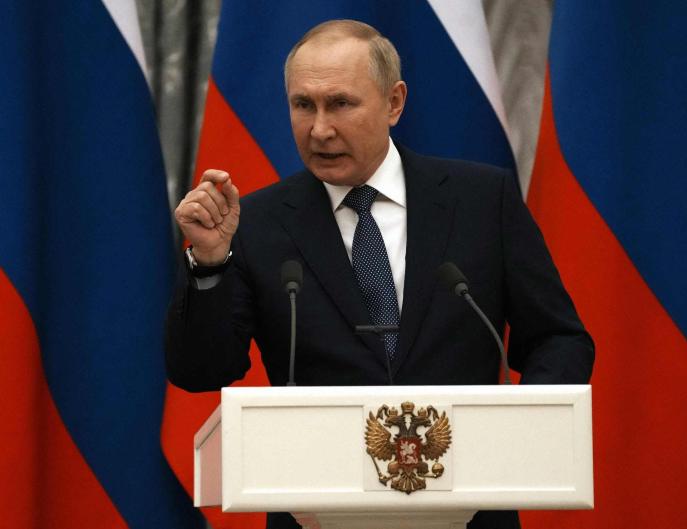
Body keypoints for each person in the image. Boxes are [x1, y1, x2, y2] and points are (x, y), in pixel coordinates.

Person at [165, 19, 594, 529]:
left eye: (341, 103)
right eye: (303, 105)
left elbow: (559, 339)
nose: (319, 128)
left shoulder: (482, 200)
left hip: (471, 511)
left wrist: (509, 437)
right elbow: (200, 371)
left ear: (394, 102)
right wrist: (211, 261)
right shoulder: (257, 223)